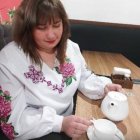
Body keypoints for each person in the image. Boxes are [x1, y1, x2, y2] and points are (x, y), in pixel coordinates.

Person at [0, 0, 122, 140]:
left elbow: (82, 76)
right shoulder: (9, 60)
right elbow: (13, 120)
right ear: (26, 28)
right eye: (41, 28)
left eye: (57, 25)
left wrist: (104, 87)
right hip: (37, 131)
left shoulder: (70, 48)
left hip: (71, 118)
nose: (51, 35)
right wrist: (60, 124)